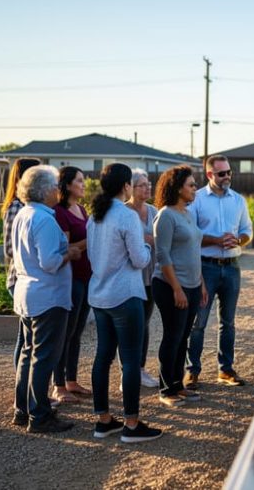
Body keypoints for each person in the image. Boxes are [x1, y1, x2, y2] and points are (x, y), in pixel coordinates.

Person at [87, 163, 162, 443]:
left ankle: (104, 420)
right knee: (130, 360)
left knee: (102, 356)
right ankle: (131, 424)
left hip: (100, 294)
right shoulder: (127, 216)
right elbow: (140, 260)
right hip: (125, 294)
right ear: (126, 186)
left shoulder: (95, 215)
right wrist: (146, 245)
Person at [11, 165, 80, 433]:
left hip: (27, 293)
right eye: (54, 186)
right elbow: (50, 262)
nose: (57, 190)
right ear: (44, 191)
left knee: (28, 355)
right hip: (48, 296)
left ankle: (23, 409)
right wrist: (70, 254)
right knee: (44, 357)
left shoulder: (23, 214)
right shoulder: (45, 220)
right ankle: (40, 415)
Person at [186, 155, 253, 389]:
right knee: (199, 322)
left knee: (228, 322)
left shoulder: (238, 200)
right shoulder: (197, 200)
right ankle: (191, 371)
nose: (227, 177)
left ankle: (225, 370)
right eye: (222, 173)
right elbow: (190, 236)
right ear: (209, 175)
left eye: (229, 172)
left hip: (232, 268)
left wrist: (239, 240)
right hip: (206, 267)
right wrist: (216, 240)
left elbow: (248, 231)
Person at [152, 165, 207, 406]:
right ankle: (166, 390)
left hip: (193, 286)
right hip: (170, 286)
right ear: (177, 187)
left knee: (183, 337)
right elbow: (163, 255)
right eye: (191, 185)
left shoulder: (187, 212)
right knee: (173, 337)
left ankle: (177, 384)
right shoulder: (165, 215)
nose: (195, 188)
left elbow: (194, 251)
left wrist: (201, 284)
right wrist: (176, 288)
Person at [51, 166, 93, 404]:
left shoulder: (83, 209)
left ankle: (72, 380)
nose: (83, 184)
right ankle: (58, 386)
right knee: (66, 332)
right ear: (67, 185)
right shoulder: (60, 212)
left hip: (87, 277)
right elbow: (67, 248)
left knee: (77, 332)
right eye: (79, 180)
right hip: (71, 279)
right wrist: (94, 238)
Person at [1, 157, 41, 370]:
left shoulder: (27, 206)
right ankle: (24, 390)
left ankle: (24, 388)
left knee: (26, 337)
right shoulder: (16, 207)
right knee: (28, 341)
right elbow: (9, 248)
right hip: (20, 279)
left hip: (27, 279)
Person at [126, 168, 160, 388]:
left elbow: (160, 239)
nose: (148, 188)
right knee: (130, 325)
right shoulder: (124, 212)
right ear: (130, 187)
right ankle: (126, 372)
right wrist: (145, 238)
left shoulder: (154, 211)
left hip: (151, 275)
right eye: (142, 185)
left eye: (149, 184)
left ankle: (139, 369)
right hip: (131, 276)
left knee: (145, 323)